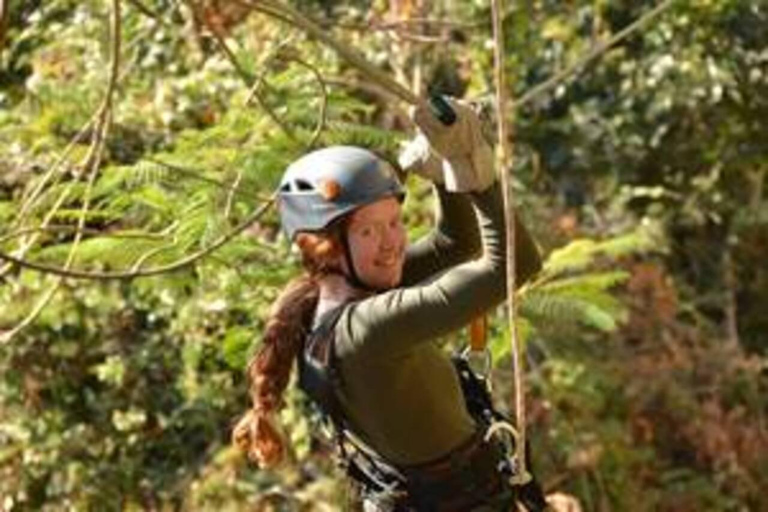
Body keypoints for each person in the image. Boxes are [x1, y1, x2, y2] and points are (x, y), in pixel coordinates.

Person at [233, 98, 543, 511]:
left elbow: (456, 242)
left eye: (395, 222)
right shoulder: (368, 329)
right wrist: (474, 168)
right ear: (326, 246)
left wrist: (441, 172)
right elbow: (515, 265)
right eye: (368, 231)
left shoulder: (324, 306)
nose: (391, 243)